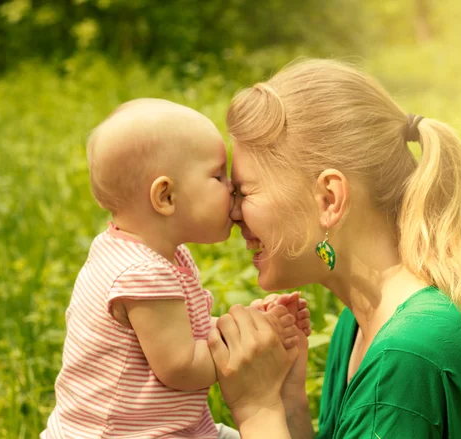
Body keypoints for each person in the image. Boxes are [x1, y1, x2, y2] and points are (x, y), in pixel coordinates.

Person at [207, 59, 461, 438]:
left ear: (329, 199)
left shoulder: (404, 356)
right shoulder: (360, 326)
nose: (232, 212)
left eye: (245, 191)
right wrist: (288, 405)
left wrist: (257, 410)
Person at [41, 98, 310, 439]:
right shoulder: (141, 274)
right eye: (218, 175)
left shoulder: (154, 255)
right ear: (165, 196)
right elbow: (181, 368)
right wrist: (247, 351)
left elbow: (184, 333)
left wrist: (250, 328)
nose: (232, 187)